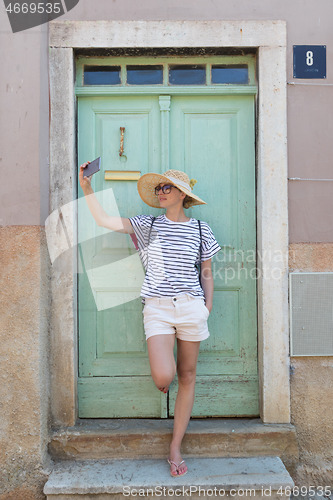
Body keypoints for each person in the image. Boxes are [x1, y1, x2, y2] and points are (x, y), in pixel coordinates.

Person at [79, 164, 221, 477]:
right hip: (157, 307)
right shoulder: (148, 225)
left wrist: (206, 305)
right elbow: (104, 220)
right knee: (163, 377)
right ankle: (164, 380)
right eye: (158, 188)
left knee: (188, 375)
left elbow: (206, 272)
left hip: (191, 307)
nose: (160, 192)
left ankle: (175, 445)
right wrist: (87, 188)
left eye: (166, 188)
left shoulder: (201, 229)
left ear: (182, 195)